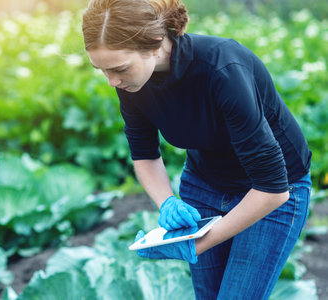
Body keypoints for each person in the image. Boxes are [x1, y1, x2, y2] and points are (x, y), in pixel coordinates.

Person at [82, 0, 312, 299]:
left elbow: (273, 188)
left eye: (119, 68)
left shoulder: (222, 68)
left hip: (274, 191)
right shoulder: (131, 83)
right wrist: (166, 202)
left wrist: (196, 244)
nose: (111, 81)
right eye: (102, 70)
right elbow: (145, 155)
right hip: (205, 184)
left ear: (154, 42)